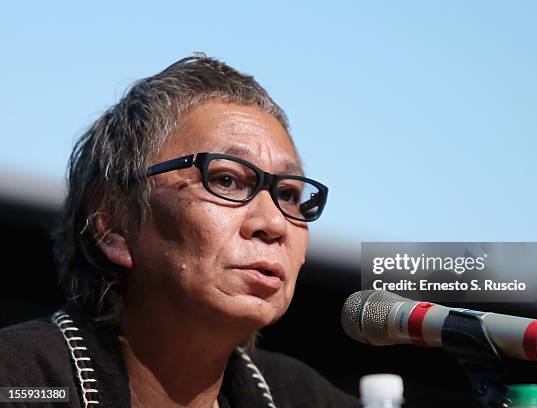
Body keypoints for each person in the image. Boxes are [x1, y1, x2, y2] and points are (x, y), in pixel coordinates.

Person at [0, 54, 359, 408]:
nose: (274, 223)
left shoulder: (302, 397)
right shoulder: (19, 381)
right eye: (226, 179)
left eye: (288, 194)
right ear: (114, 224)